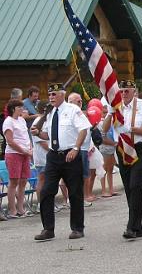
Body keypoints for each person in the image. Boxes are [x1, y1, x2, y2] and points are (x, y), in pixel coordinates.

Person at [31, 83, 91, 241]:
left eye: (54, 94)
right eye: (50, 95)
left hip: (70, 155)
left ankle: (77, 228)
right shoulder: (50, 113)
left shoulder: (73, 110)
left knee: (75, 192)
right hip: (53, 156)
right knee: (46, 191)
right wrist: (38, 133)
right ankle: (48, 229)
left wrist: (76, 148)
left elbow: (83, 129)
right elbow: (48, 136)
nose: (51, 97)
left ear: (62, 95)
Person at [103, 80, 142, 239]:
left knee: (135, 185)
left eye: (127, 91)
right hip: (123, 150)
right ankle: (137, 226)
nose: (124, 94)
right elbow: (104, 129)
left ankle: (131, 226)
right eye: (122, 91)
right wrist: (111, 112)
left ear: (134, 91)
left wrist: (132, 129)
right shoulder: (116, 106)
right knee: (129, 188)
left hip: (140, 149)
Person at [2, 99, 33, 218]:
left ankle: (21, 208)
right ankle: (12, 210)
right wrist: (23, 150)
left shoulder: (22, 120)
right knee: (14, 181)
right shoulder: (8, 121)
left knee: (23, 181)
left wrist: (29, 148)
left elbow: (26, 136)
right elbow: (10, 141)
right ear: (13, 108)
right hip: (14, 154)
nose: (22, 109)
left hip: (25, 153)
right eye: (19, 107)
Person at [31, 101, 52, 213]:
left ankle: (49, 203)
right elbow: (42, 141)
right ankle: (41, 204)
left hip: (49, 157)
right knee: (42, 180)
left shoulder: (48, 120)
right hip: (42, 157)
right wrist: (53, 151)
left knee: (49, 181)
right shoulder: (38, 122)